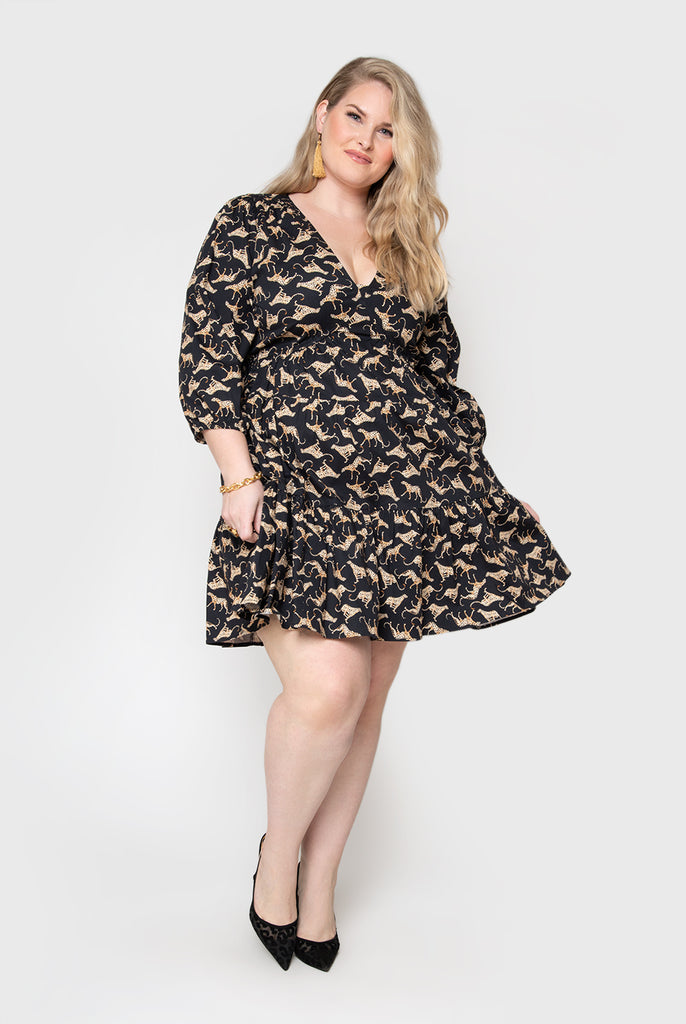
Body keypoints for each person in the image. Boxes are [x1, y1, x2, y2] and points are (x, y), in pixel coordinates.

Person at [178, 56, 571, 972]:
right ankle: (276, 864)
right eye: (355, 115)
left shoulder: (406, 246)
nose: (367, 137)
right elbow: (208, 353)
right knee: (328, 691)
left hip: (404, 500)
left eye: (388, 129)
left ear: (403, 149)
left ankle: (321, 886)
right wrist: (237, 478)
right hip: (298, 496)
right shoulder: (253, 223)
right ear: (323, 115)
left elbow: (436, 385)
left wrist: (485, 492)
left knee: (365, 702)